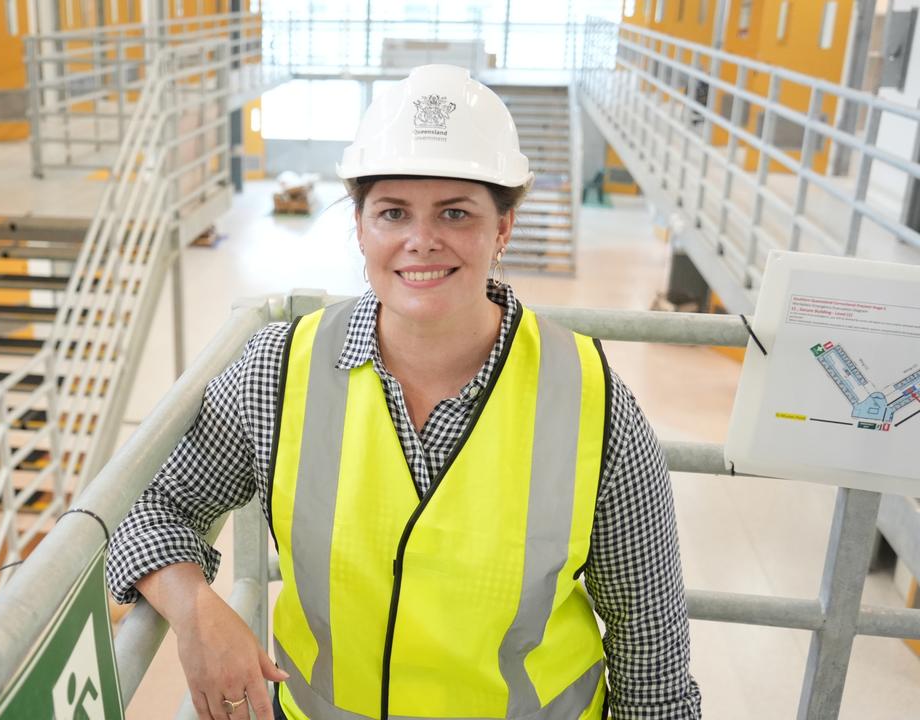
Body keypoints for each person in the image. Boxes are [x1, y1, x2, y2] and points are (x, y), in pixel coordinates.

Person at [107, 64, 702, 720]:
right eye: (393, 213)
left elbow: (652, 659)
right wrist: (197, 613)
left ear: (502, 229)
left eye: (456, 212)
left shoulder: (594, 405)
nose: (422, 240)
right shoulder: (278, 373)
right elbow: (149, 504)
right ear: (360, 227)